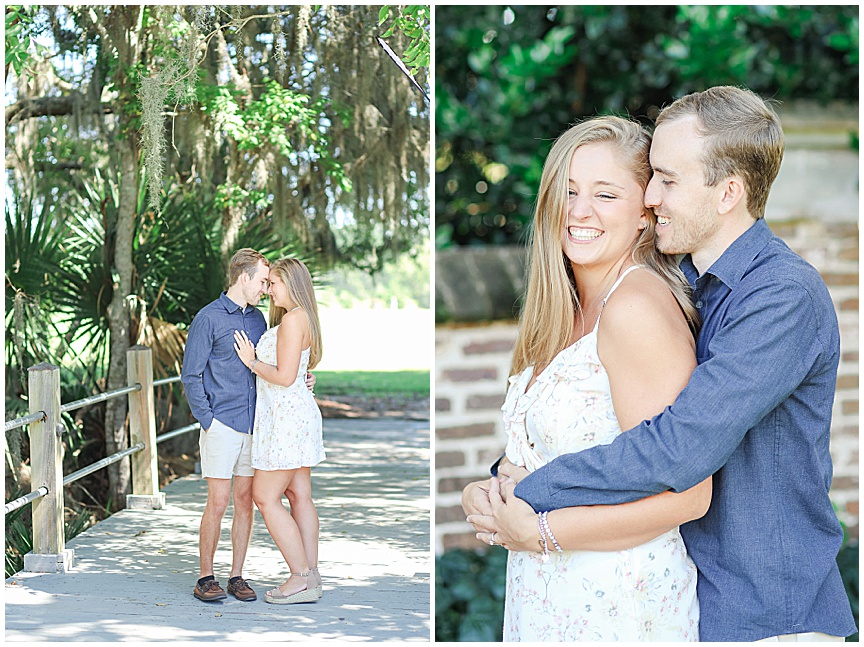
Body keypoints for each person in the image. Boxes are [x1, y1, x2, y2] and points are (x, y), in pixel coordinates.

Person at [467, 87, 856, 642]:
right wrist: (497, 485)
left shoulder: (781, 296)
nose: (651, 196)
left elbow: (676, 449)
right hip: (701, 606)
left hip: (770, 616)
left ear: (728, 193)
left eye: (667, 180)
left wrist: (531, 498)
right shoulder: (693, 286)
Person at [464, 115, 714, 641]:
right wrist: (488, 495)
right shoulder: (567, 311)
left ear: (645, 216)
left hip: (620, 605)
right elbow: (545, 459)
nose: (579, 211)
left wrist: (540, 533)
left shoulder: (635, 307)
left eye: (605, 195)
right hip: (551, 597)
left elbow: (687, 495)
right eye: (569, 191)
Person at [234, 257, 326, 605]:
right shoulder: (302, 319)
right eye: (268, 283)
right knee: (298, 495)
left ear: (293, 285)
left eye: (275, 284)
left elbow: (285, 377)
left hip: (286, 421)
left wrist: (251, 362)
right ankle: (311, 574)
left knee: (265, 497)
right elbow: (297, 371)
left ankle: (299, 576)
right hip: (294, 415)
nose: (269, 289)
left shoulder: (292, 320)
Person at [181, 248, 270, 602]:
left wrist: (302, 380)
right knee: (217, 503)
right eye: (262, 280)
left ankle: (236, 576)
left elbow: (267, 366)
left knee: (245, 502)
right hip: (221, 425)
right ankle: (205, 577)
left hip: (253, 425)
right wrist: (208, 420)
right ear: (243, 277)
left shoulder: (259, 320)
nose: (265, 287)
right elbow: (191, 375)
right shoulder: (208, 318)